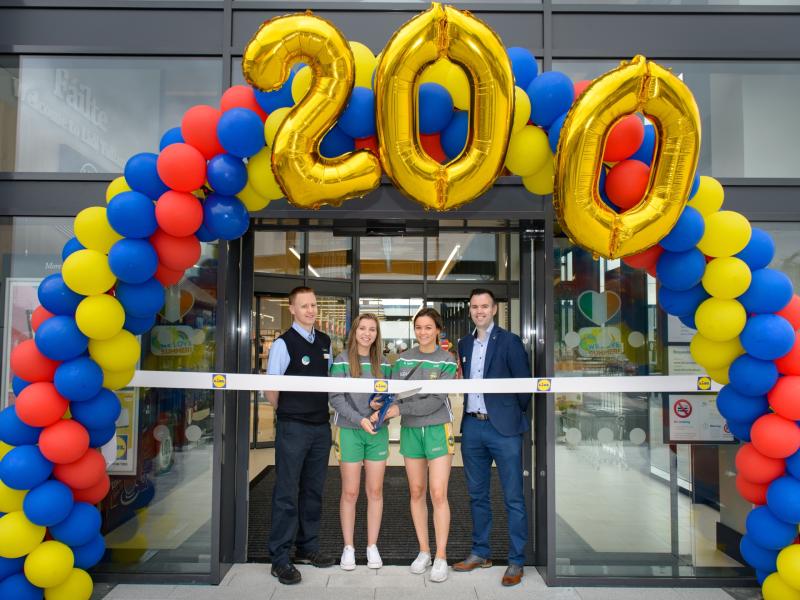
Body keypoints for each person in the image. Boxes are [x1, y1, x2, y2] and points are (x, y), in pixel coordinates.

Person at [453, 289, 532, 586]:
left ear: (495, 309)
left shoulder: (510, 342)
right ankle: (480, 552)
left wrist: (509, 413)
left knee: (513, 497)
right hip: (473, 427)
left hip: (505, 429)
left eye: (484, 306)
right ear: (470, 310)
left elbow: (524, 387)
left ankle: (516, 561)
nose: (479, 311)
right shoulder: (463, 343)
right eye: (474, 306)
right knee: (477, 495)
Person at [372, 307, 457, 583]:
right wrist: (387, 406)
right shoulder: (403, 359)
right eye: (418, 327)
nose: (423, 332)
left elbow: (435, 400)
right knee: (417, 491)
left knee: (438, 493)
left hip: (437, 429)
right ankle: (424, 551)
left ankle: (441, 556)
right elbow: (397, 395)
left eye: (428, 327)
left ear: (438, 330)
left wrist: (400, 409)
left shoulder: (447, 360)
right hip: (411, 432)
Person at [266, 286, 335, 585]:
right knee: (286, 491)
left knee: (313, 490)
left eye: (313, 305)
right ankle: (280, 558)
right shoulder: (284, 344)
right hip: (293, 427)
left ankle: (308, 547)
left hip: (321, 427)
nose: (310, 310)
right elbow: (272, 390)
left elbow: (328, 380)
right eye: (304, 305)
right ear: (292, 309)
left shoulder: (325, 341)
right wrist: (291, 413)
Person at [329, 313, 391, 571]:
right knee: (351, 492)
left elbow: (390, 397)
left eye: (372, 330)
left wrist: (380, 409)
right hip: (349, 431)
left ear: (377, 335)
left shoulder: (385, 364)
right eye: (362, 328)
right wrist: (359, 419)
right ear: (354, 332)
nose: (367, 333)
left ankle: (371, 545)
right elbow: (335, 397)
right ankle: (349, 547)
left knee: (375, 491)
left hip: (377, 432)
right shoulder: (342, 361)